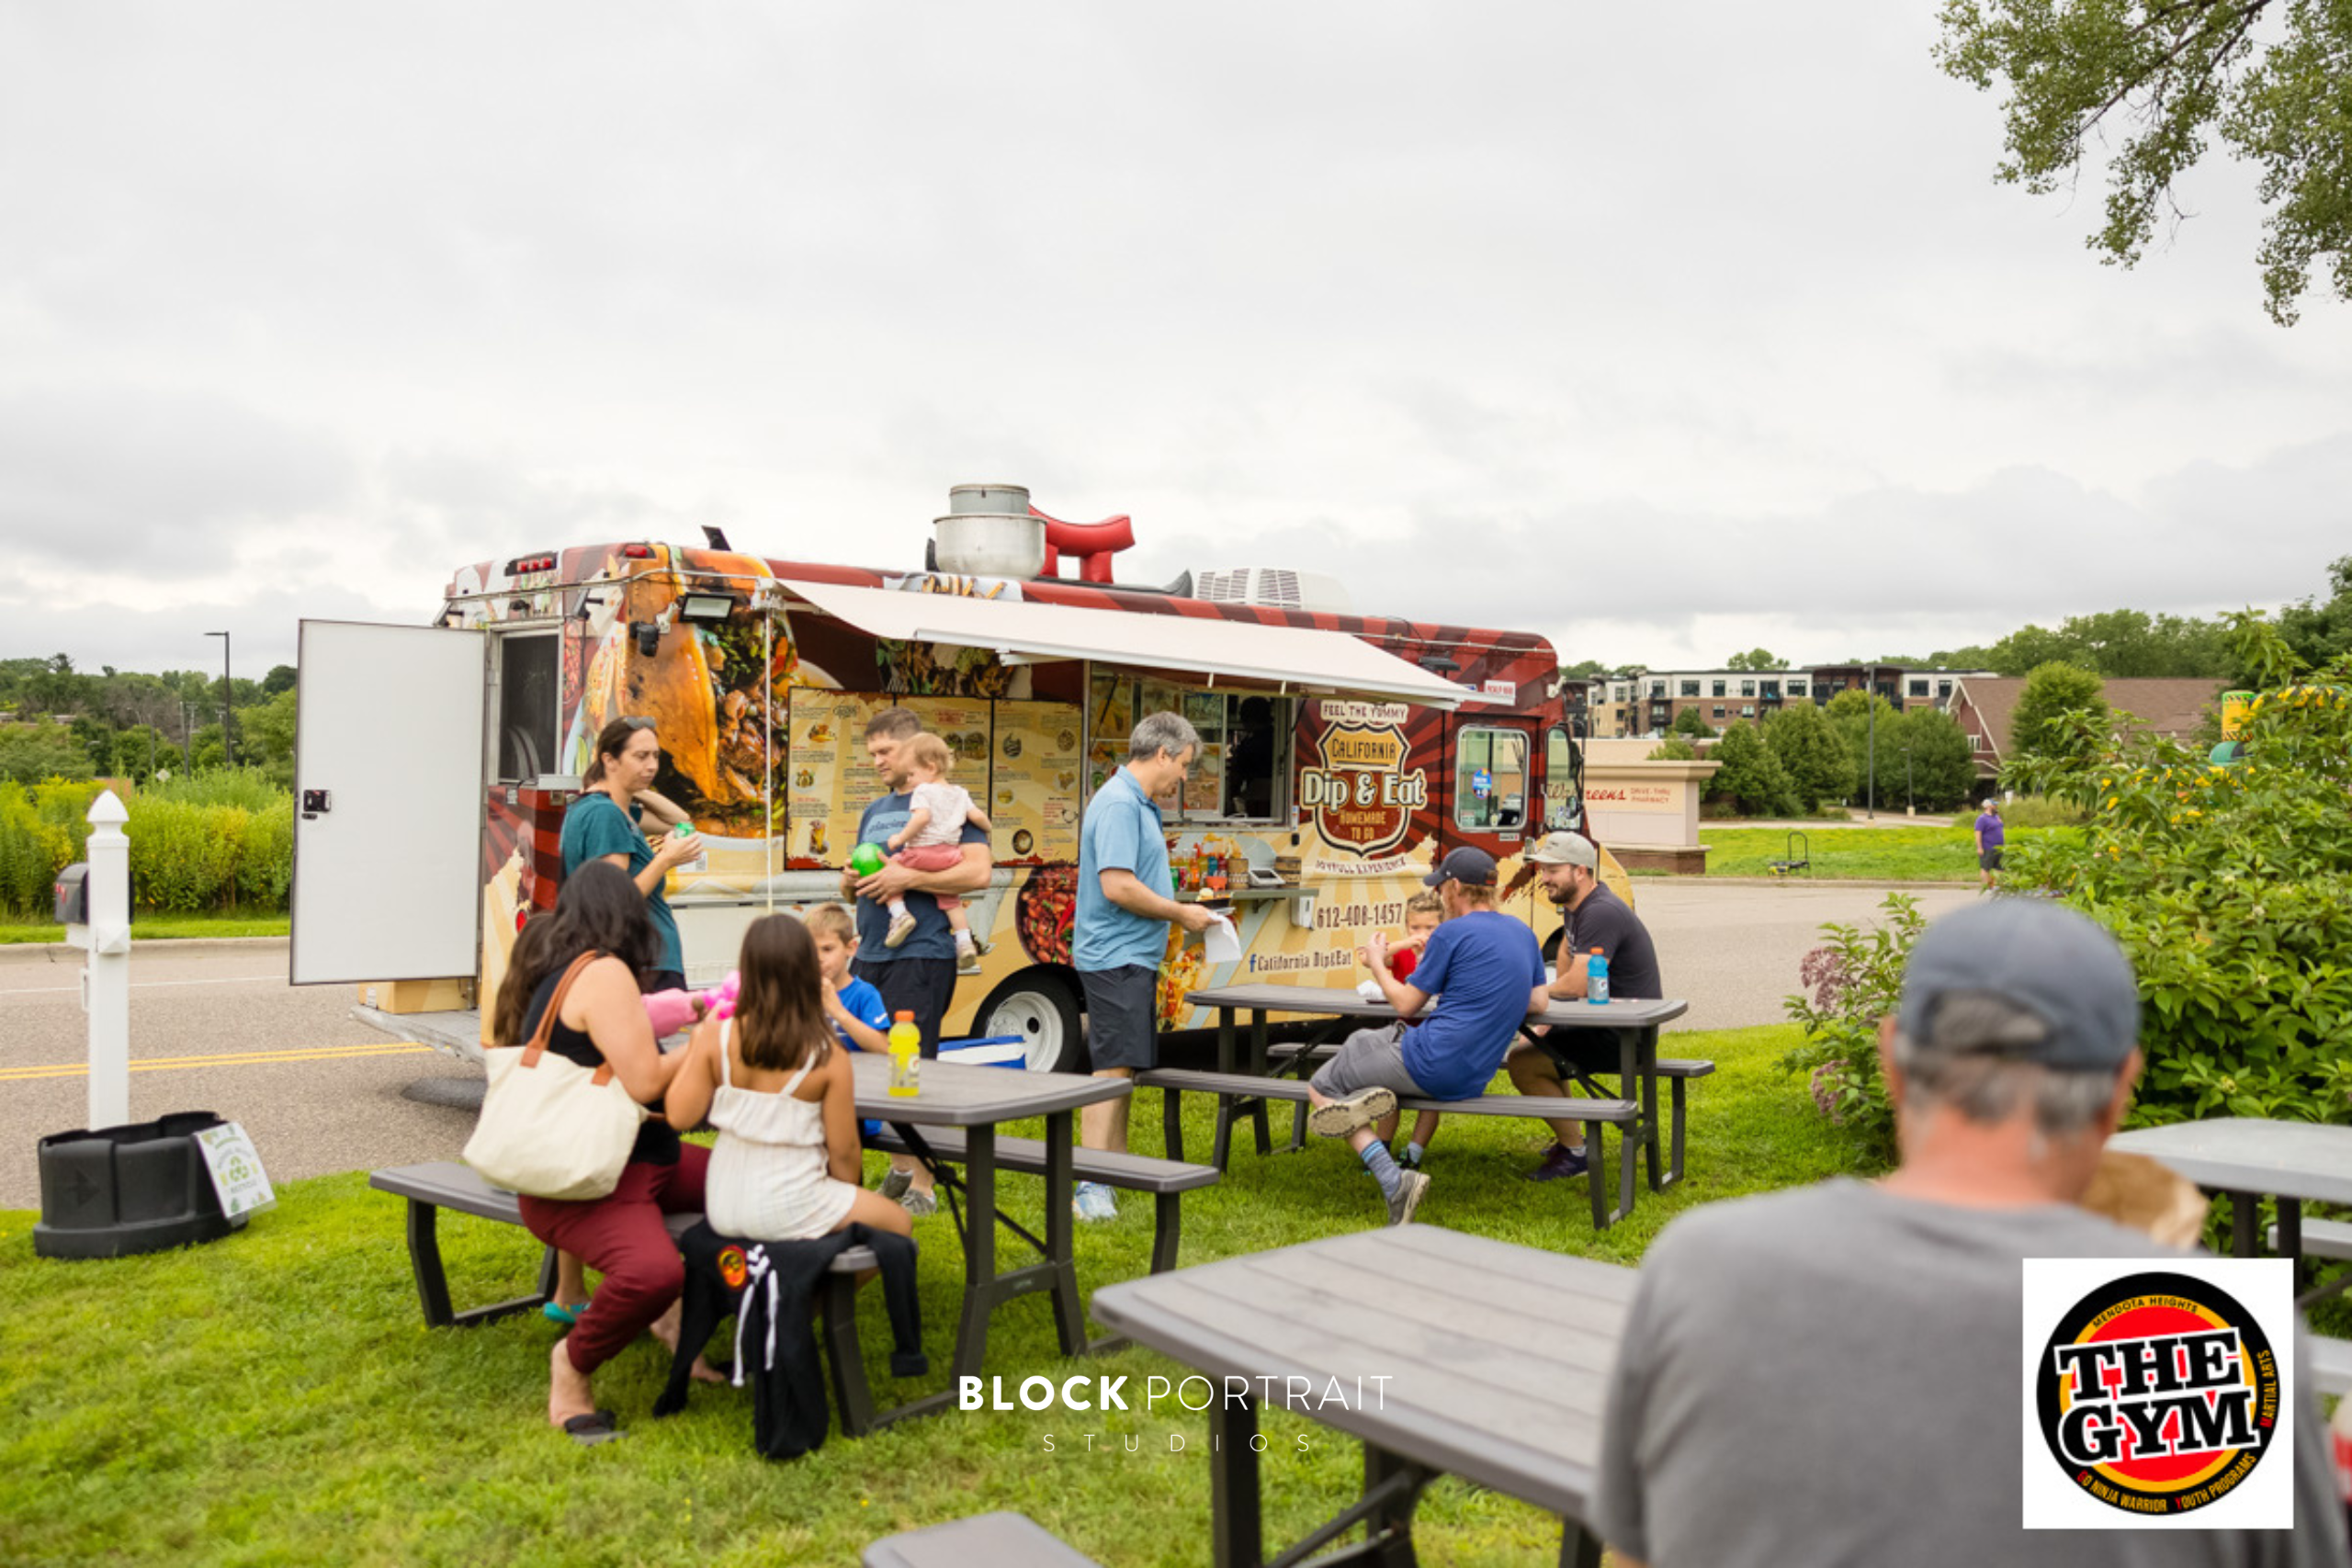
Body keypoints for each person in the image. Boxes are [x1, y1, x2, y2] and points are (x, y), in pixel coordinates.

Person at [1589, 899, 2349, 1568]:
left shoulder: (1704, 1266)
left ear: (1891, 1060)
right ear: (2120, 1088)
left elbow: (1636, 1554)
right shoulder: (2205, 1336)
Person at [492, 863, 708, 1442]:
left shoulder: (566, 972)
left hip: (643, 1162)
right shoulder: (605, 972)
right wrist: (705, 1044)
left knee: (760, 1182)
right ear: (628, 917)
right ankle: (573, 1364)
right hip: (592, 1178)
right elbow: (644, 1081)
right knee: (653, 1272)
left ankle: (679, 1322)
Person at [1305, 847, 1547, 1226]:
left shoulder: (1451, 932)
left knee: (1321, 1085)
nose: (1440, 898)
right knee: (1362, 1047)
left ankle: (1393, 1180)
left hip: (1428, 1061)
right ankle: (1365, 1100)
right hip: (1473, 1076)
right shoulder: (1522, 932)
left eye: (1442, 890)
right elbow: (1539, 999)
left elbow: (1405, 1004)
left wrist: (1377, 958)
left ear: (1454, 888)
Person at [664, 914, 912, 1246]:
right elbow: (844, 1151)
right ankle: (819, 1296)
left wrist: (701, 1037)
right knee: (897, 1223)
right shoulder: (827, 1053)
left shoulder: (715, 1036)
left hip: (723, 1198)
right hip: (792, 1201)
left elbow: (679, 1115)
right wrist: (847, 1195)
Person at [843, 706, 992, 1215]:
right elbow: (862, 876)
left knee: (911, 1066)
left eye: (886, 752)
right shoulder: (876, 809)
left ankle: (924, 1185)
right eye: (873, 755)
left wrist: (907, 880)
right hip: (868, 952)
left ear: (913, 748)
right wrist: (850, 881)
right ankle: (900, 1166)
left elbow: (977, 874)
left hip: (922, 951)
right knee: (867, 1068)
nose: (878, 762)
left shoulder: (947, 801)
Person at [1073, 710, 1215, 1222]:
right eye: (1183, 765)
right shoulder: (1117, 804)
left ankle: (1115, 1168)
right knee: (1109, 1068)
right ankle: (1089, 1183)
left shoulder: (1138, 803)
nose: (1184, 776)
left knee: (1124, 1066)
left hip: (1132, 955)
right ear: (1163, 753)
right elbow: (1118, 885)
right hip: (1115, 955)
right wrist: (1181, 913)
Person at [1507, 831, 1662, 1183]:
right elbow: (1567, 949)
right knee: (1532, 1046)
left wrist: (1540, 995)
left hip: (1625, 1034)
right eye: (1542, 869)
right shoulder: (1580, 906)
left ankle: (1576, 1153)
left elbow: (1578, 983)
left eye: (1552, 870)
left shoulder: (1601, 911)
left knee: (1523, 1064)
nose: (1544, 878)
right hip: (1601, 1022)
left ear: (1580, 871)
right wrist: (1551, 1014)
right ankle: (1572, 1140)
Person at [562, 717, 699, 994]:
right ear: (609, 760)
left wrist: (636, 789)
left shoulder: (611, 810)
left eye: (655, 756)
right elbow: (616, 900)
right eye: (640, 756)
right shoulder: (606, 815)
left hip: (640, 959)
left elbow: (680, 820)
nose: (652, 766)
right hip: (642, 960)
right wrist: (666, 859)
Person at [878, 732, 993, 975]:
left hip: (921, 852)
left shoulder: (924, 791)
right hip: (949, 857)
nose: (910, 780)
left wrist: (900, 838)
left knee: (890, 870)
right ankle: (964, 941)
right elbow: (978, 817)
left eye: (912, 773)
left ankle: (900, 915)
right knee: (951, 901)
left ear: (930, 768)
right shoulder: (961, 793)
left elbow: (922, 818)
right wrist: (988, 829)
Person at [1350, 889, 1446, 1169]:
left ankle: (1413, 1153)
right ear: (1406, 926)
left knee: (1431, 1096)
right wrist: (1405, 943)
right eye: (1415, 927)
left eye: (1430, 928)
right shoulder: (1402, 954)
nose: (1423, 934)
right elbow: (1368, 958)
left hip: (1436, 1035)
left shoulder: (1444, 953)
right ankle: (1381, 1150)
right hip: (1403, 1034)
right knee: (1386, 1091)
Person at [1975, 796, 2006, 890]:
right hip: (1988, 847)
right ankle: (1986, 886)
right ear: (1988, 806)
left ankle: (1997, 885)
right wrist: (1979, 847)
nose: (1996, 806)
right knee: (1986, 867)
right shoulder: (1982, 819)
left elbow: (2000, 828)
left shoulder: (1997, 817)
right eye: (1994, 805)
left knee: (2001, 868)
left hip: (2000, 847)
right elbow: (1978, 833)